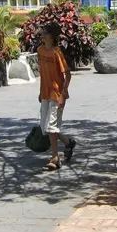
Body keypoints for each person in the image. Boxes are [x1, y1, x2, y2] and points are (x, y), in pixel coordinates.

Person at [36, 24, 74, 171]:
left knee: (51, 127)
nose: (42, 35)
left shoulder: (57, 52)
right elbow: (42, 73)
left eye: (45, 33)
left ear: (52, 36)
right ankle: (68, 143)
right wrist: (40, 91)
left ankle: (55, 158)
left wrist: (63, 95)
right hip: (45, 93)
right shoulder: (39, 51)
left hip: (57, 94)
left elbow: (67, 75)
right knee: (45, 127)